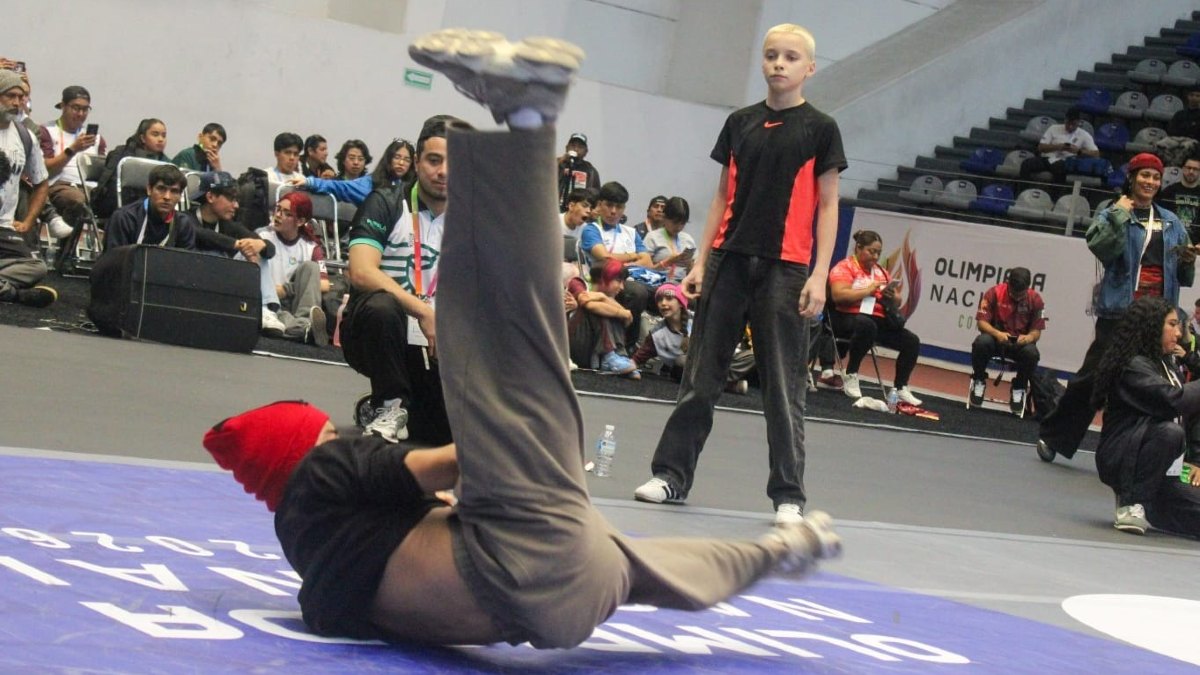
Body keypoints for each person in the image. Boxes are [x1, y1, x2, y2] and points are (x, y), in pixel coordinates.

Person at [202, 28, 840, 647]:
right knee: (507, 340)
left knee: (651, 564)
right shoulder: (326, 472)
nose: (333, 433)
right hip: (520, 562)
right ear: (298, 458)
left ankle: (783, 546)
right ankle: (530, 120)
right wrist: (505, 444)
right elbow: (454, 461)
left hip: (551, 611)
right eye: (318, 434)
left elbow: (358, 601)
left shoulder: (313, 559)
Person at [634, 23, 845, 526]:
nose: (778, 64)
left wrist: (819, 275)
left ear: (808, 68)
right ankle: (670, 476)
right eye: (771, 55)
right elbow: (722, 198)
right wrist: (702, 261)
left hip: (787, 269)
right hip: (729, 262)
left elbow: (829, 204)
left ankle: (789, 495)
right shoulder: (739, 123)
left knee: (783, 387)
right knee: (701, 377)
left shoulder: (821, 128)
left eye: (791, 57)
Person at [1038, 153, 1197, 463]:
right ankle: (1055, 435)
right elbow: (1103, 250)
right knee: (1093, 378)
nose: (1150, 182)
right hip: (1120, 314)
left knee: (1156, 384)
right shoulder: (1113, 212)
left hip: (1157, 317)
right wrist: (1121, 216)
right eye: (1144, 175)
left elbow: (1183, 273)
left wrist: (1188, 260)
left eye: (1155, 177)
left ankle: (1146, 452)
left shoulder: (1171, 220)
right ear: (1132, 177)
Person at [341, 120, 456, 445]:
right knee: (383, 304)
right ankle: (390, 404)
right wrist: (423, 311)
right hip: (374, 331)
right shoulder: (386, 202)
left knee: (441, 436)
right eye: (434, 160)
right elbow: (361, 272)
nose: (444, 171)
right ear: (417, 161)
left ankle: (381, 406)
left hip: (431, 346)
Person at [1090, 296, 1200, 536]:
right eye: (1171, 324)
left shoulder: (1166, 365)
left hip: (1165, 476)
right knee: (1170, 433)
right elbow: (1175, 401)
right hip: (1124, 459)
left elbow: (1188, 415)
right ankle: (1131, 502)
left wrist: (1196, 461)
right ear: (1151, 326)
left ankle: (1150, 505)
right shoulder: (1133, 366)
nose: (1178, 332)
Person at [828, 229, 923, 405]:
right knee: (867, 325)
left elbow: (898, 299)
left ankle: (901, 387)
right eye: (871, 251)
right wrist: (867, 290)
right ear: (858, 247)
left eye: (878, 252)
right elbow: (838, 296)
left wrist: (890, 296)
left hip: (877, 320)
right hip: (847, 317)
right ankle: (851, 374)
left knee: (912, 341)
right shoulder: (844, 267)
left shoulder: (880, 271)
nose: (876, 256)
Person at [633, 283, 754, 392]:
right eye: (659, 300)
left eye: (669, 299)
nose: (663, 303)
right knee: (681, 362)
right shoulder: (657, 334)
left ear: (680, 303)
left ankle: (721, 384)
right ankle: (726, 384)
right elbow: (636, 360)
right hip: (688, 370)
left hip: (713, 363)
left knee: (753, 356)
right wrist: (619, 366)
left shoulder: (699, 318)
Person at [578, 181, 653, 347]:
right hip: (603, 282)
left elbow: (647, 262)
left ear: (624, 209)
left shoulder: (630, 233)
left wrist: (621, 262)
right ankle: (624, 346)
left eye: (619, 207)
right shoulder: (592, 229)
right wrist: (633, 256)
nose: (613, 211)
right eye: (609, 205)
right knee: (638, 293)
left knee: (669, 294)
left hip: (632, 279)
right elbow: (605, 257)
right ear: (599, 204)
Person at [255, 191, 330, 345]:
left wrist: (288, 288)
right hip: (270, 302)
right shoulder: (262, 237)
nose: (278, 215)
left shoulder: (311, 247)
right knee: (281, 316)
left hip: (295, 302)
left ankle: (303, 322)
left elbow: (324, 284)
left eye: (287, 213)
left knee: (311, 267)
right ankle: (305, 329)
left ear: (300, 221)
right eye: (278, 209)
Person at [969, 266, 1046, 414]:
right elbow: (981, 322)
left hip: (1019, 345)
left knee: (1032, 353)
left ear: (1028, 288)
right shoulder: (994, 293)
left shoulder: (1036, 300)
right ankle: (978, 380)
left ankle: (1019, 387)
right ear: (1008, 283)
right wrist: (997, 333)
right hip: (996, 340)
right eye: (1014, 293)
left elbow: (1037, 331)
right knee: (981, 342)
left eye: (1021, 294)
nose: (1017, 297)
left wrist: (1029, 337)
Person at [38, 85, 105, 233]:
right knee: (78, 201)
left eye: (85, 109)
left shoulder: (97, 139)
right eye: (75, 108)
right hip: (59, 185)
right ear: (63, 106)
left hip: (90, 188)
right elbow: (45, 169)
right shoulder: (47, 131)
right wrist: (73, 149)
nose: (80, 114)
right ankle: (66, 250)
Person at [566, 259, 641, 377]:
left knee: (609, 309)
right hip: (573, 344)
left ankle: (618, 356)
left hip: (592, 350)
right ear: (604, 278)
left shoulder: (608, 297)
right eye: (618, 281)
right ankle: (609, 356)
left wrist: (604, 298)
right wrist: (621, 311)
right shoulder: (578, 283)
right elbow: (587, 302)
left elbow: (628, 318)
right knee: (598, 309)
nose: (622, 287)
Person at [291, 139, 413, 206]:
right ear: (388, 159)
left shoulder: (414, 188)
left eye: (407, 159)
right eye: (397, 157)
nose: (401, 163)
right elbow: (339, 187)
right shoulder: (371, 183)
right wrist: (309, 182)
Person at [104, 163, 197, 250]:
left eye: (174, 191)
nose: (167, 197)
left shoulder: (183, 224)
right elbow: (114, 262)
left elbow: (186, 264)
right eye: (161, 189)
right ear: (149, 189)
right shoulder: (125, 218)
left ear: (180, 196)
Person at [91, 118, 169, 218]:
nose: (160, 139)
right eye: (155, 134)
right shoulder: (123, 154)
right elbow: (111, 185)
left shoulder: (166, 162)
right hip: (118, 203)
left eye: (164, 135)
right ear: (143, 138)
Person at [1019, 107, 1100, 184]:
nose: (1070, 127)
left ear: (1078, 122)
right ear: (1065, 120)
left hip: (1065, 161)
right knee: (1026, 164)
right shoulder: (1053, 128)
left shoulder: (1084, 135)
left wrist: (1078, 151)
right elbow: (1041, 147)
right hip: (1047, 158)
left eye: (1074, 124)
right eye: (1068, 123)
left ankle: (1055, 196)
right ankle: (1022, 191)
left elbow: (1096, 154)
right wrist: (1058, 146)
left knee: (1060, 169)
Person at [642, 195, 696, 284]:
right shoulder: (652, 237)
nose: (678, 227)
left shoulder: (688, 239)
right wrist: (667, 262)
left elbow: (693, 270)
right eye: (675, 222)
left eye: (682, 223)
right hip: (657, 282)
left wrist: (690, 264)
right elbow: (643, 272)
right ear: (664, 217)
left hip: (682, 283)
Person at [1160, 154, 1200, 239]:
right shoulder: (1168, 192)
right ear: (1183, 168)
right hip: (1171, 243)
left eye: (1195, 169)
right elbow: (1159, 218)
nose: (1191, 171)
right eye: (1188, 168)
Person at [557, 131, 599, 210]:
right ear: (566, 148)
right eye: (573, 146)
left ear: (586, 152)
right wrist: (560, 163)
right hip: (555, 209)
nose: (576, 149)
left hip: (578, 212)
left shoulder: (591, 171)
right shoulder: (556, 164)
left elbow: (595, 195)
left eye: (580, 147)